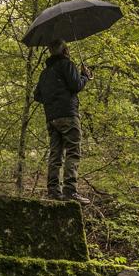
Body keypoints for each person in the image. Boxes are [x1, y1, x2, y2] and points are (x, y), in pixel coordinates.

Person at [33, 40, 92, 203]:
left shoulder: (44, 73)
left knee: (55, 153)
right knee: (73, 151)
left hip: (51, 118)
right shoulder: (67, 65)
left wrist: (52, 98)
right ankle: (70, 191)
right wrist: (85, 76)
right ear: (65, 50)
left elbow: (37, 95)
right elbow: (76, 86)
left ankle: (53, 191)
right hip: (68, 114)